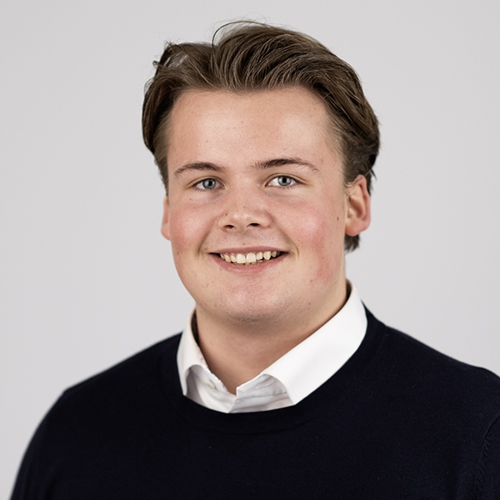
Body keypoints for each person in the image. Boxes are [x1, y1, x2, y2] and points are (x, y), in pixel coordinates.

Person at [11, 22, 500, 499]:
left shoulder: (479, 433)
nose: (240, 215)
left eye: (283, 179)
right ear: (168, 212)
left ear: (354, 205)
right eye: (206, 182)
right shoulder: (77, 431)